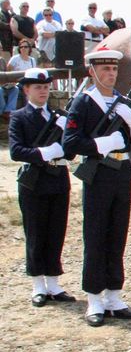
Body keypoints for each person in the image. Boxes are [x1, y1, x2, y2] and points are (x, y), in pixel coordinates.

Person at [62, 45, 131, 326]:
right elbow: (70, 144)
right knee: (96, 234)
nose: (110, 74)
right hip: (99, 173)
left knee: (117, 232)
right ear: (92, 72)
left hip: (121, 172)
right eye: (105, 69)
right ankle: (94, 299)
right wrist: (101, 144)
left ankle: (114, 295)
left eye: (114, 69)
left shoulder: (125, 102)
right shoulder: (84, 103)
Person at [8, 68, 74, 307]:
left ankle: (54, 283)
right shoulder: (19, 116)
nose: (43, 91)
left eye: (46, 87)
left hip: (57, 178)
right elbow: (16, 151)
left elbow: (72, 147)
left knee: (56, 231)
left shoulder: (59, 116)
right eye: (38, 87)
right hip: (34, 182)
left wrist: (65, 146)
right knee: (36, 233)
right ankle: (38, 285)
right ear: (26, 90)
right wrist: (44, 153)